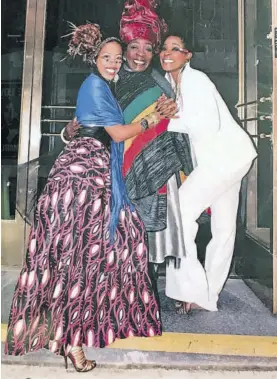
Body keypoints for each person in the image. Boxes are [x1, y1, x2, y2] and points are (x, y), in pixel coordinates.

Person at [5, 23, 167, 372]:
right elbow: (118, 132)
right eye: (107, 57)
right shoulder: (95, 85)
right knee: (83, 258)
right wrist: (153, 118)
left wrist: (68, 131)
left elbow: (80, 128)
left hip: (89, 174)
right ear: (94, 58)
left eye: (117, 58)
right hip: (84, 182)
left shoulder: (102, 88)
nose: (113, 63)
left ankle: (75, 335)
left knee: (89, 255)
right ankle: (73, 343)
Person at [63, 0, 193, 276]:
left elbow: (174, 123)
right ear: (125, 48)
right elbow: (88, 122)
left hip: (149, 170)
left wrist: (172, 112)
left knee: (140, 239)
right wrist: (69, 131)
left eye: (148, 48)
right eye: (134, 47)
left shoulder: (161, 82)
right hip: (107, 171)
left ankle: (138, 291)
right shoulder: (109, 77)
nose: (141, 54)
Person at [159, 33, 257, 314]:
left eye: (175, 49)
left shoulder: (197, 80)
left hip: (225, 159)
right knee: (224, 228)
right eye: (164, 48)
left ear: (187, 55)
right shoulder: (171, 83)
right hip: (227, 158)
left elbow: (207, 127)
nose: (167, 53)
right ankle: (208, 293)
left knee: (176, 215)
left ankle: (192, 289)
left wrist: (170, 119)